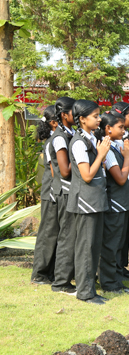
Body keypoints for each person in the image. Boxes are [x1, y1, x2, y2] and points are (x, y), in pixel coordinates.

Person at [67, 100, 111, 304]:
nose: (99, 119)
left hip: (95, 199)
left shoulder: (91, 138)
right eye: (95, 116)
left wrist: (100, 156)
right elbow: (86, 175)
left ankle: (90, 289)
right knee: (86, 247)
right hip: (86, 201)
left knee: (93, 246)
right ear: (82, 119)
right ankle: (84, 292)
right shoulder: (78, 142)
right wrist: (101, 155)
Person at [96, 112, 129, 295]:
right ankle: (109, 282)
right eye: (120, 127)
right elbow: (120, 179)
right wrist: (128, 157)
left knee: (120, 244)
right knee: (111, 244)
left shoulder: (118, 145)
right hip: (115, 202)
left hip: (124, 201)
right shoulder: (108, 150)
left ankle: (117, 278)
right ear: (108, 129)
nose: (124, 130)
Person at [50, 97, 78, 295]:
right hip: (65, 191)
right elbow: (65, 171)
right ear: (64, 115)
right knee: (67, 237)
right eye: (73, 112)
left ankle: (69, 276)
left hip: (72, 191)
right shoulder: (60, 137)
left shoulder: (71, 133)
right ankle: (61, 282)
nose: (77, 115)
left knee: (73, 236)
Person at [31, 106, 60, 285]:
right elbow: (54, 170)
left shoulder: (57, 139)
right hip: (51, 192)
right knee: (48, 232)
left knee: (54, 232)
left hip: (55, 190)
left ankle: (51, 271)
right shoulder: (52, 142)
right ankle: (39, 274)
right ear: (54, 122)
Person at [111, 102, 129, 280]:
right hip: (118, 191)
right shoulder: (114, 141)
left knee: (125, 232)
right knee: (117, 234)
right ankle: (114, 269)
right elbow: (124, 162)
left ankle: (121, 266)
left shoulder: (126, 137)